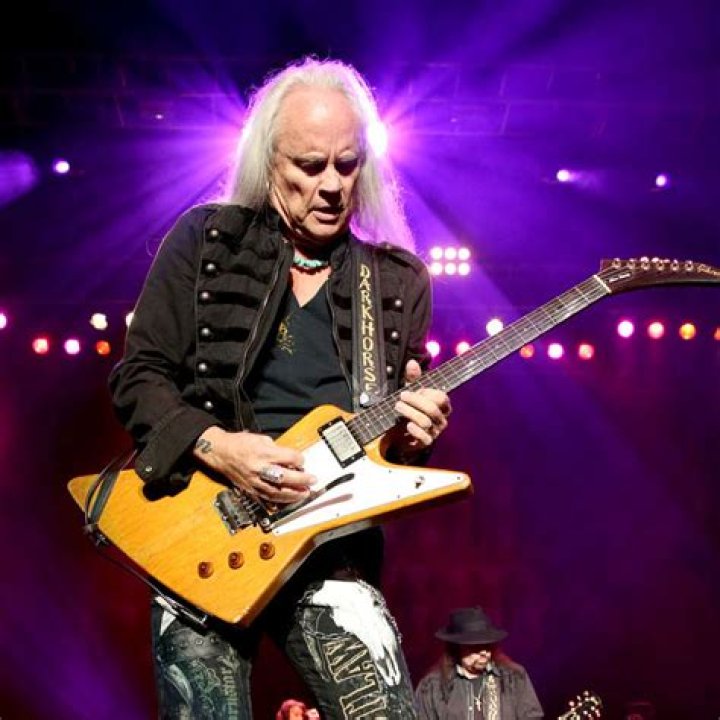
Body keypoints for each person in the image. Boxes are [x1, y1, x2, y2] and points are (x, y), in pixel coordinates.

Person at [109, 56, 452, 719]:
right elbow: (139, 377)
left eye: (346, 165)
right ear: (269, 163)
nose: (332, 185)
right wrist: (218, 447)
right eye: (309, 165)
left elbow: (393, 449)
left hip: (331, 546)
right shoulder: (204, 243)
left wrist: (414, 437)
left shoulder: (396, 281)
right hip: (203, 529)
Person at [415, 607, 543, 719]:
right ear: (456, 647)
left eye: (487, 645)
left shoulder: (513, 678)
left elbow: (532, 716)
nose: (484, 652)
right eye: (475, 646)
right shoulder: (432, 687)